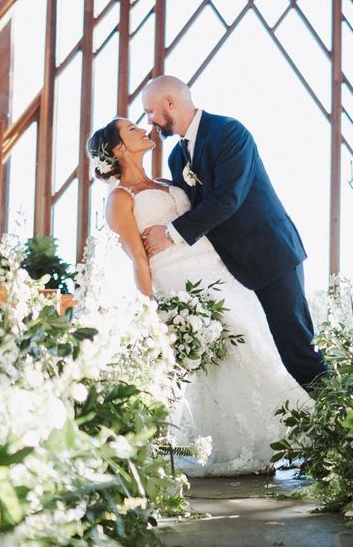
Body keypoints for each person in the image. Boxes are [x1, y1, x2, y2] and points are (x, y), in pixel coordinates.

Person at [87, 117, 304, 475]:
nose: (144, 129)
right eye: (131, 129)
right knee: (220, 356)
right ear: (118, 149)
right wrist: (150, 310)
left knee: (252, 340)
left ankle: (269, 437)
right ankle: (231, 444)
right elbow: (138, 259)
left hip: (218, 272)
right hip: (179, 281)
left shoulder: (169, 178)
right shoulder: (119, 200)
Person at [137, 75, 328, 386]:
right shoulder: (176, 158)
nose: (150, 122)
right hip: (229, 269)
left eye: (151, 111)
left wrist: (169, 232)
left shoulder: (229, 132)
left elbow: (229, 198)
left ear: (170, 102)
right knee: (265, 353)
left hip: (270, 254)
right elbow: (190, 205)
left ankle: (332, 422)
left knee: (297, 350)